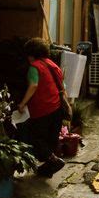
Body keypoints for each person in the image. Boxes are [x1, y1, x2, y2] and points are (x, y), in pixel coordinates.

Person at [18, 38, 72, 177]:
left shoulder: (35, 67)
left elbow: (33, 85)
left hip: (43, 108)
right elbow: (63, 87)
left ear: (30, 54)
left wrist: (23, 103)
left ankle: (54, 161)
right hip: (57, 108)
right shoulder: (53, 65)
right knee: (50, 139)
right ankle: (47, 170)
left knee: (36, 138)